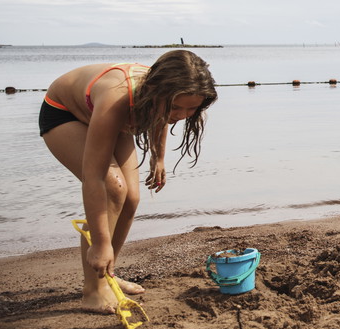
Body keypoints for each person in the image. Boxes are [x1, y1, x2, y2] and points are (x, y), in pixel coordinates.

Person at [40, 50, 217, 313]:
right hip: (65, 114)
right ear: (157, 92)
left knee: (131, 198)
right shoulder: (117, 96)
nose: (181, 115)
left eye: (192, 108)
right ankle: (93, 289)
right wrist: (100, 243)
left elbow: (162, 116)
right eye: (176, 107)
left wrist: (158, 158)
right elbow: (94, 177)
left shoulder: (162, 95)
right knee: (113, 189)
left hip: (117, 117)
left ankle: (108, 274)